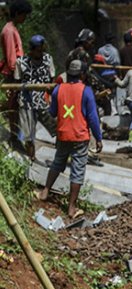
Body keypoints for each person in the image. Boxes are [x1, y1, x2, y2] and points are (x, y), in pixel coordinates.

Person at [36, 60, 102, 219]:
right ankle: (71, 208)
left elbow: (52, 113)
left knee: (58, 162)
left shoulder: (58, 89)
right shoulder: (86, 91)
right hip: (79, 136)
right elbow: (93, 118)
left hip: (63, 134)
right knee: (78, 171)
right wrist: (98, 138)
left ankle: (44, 192)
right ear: (82, 74)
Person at [15, 34, 55, 160]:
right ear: (32, 50)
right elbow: (17, 82)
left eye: (42, 50)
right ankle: (31, 158)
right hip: (26, 101)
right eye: (38, 50)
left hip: (43, 100)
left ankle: (62, 156)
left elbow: (52, 79)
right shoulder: (21, 62)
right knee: (28, 134)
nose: (41, 53)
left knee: (56, 128)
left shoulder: (48, 59)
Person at [1, 0, 32, 136]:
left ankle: (16, 134)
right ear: (17, 14)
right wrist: (18, 74)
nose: (25, 18)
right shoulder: (8, 31)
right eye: (24, 15)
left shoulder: (12, 29)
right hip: (14, 73)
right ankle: (14, 135)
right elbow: (11, 58)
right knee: (13, 105)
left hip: (17, 72)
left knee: (17, 105)